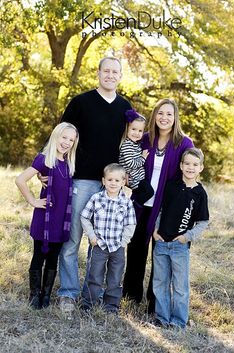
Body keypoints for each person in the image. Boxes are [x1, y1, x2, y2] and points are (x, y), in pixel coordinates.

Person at [56, 57, 132, 312]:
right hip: (83, 180)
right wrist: (49, 167)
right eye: (106, 70)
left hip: (111, 184)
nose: (110, 75)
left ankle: (92, 294)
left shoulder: (125, 107)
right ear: (98, 73)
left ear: (120, 76)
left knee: (101, 241)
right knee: (74, 237)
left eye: (115, 71)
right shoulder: (81, 102)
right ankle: (67, 292)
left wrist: (129, 177)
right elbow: (61, 136)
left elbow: (131, 143)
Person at [123, 98, 194, 313]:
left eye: (169, 114)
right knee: (136, 250)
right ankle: (131, 295)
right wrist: (124, 175)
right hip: (140, 204)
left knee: (161, 254)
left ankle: (155, 301)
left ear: (175, 118)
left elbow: (190, 171)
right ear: (154, 116)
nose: (164, 117)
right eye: (160, 113)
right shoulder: (144, 139)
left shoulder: (183, 143)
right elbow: (126, 158)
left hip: (166, 209)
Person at [15, 122, 79, 309]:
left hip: (61, 221)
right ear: (55, 136)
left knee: (53, 258)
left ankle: (46, 295)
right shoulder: (44, 159)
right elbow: (20, 180)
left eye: (71, 140)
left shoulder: (69, 163)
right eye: (64, 137)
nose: (66, 142)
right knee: (38, 256)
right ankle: (34, 295)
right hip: (45, 218)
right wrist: (33, 201)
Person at [152, 147, 209, 328]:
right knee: (160, 283)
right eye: (187, 164)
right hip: (161, 243)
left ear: (201, 168)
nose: (190, 168)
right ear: (181, 165)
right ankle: (162, 318)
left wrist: (187, 236)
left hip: (180, 246)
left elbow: (203, 222)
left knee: (180, 286)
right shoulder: (171, 186)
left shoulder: (200, 193)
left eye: (195, 164)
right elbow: (160, 210)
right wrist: (155, 230)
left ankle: (178, 321)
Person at [80, 163, 136, 313]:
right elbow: (84, 217)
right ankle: (89, 303)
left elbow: (131, 224)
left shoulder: (126, 202)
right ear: (103, 181)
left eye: (117, 180)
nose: (113, 183)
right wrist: (92, 236)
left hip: (118, 247)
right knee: (94, 276)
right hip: (99, 246)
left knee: (115, 279)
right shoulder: (96, 198)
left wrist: (123, 242)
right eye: (110, 179)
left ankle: (111, 306)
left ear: (123, 182)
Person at [119, 109, 154, 205]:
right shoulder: (127, 145)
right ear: (127, 129)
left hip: (137, 178)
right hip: (133, 180)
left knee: (147, 192)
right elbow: (130, 163)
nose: (136, 133)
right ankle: (133, 204)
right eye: (133, 129)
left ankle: (134, 203)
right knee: (149, 192)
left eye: (140, 131)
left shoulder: (135, 144)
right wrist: (143, 158)